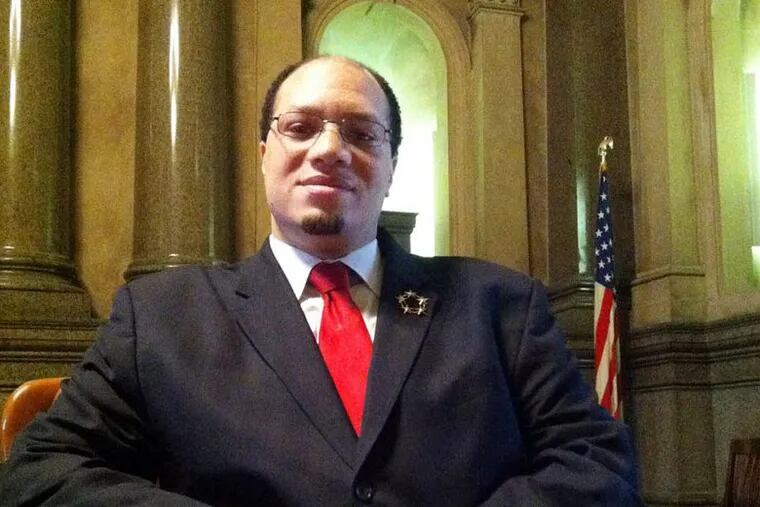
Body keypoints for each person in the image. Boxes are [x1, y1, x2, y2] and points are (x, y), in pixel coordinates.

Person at [0, 56, 642, 506]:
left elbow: (598, 464)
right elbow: (42, 472)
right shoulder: (161, 317)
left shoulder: (501, 305)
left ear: (391, 166)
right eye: (301, 127)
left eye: (361, 133)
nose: (330, 149)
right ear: (264, 155)